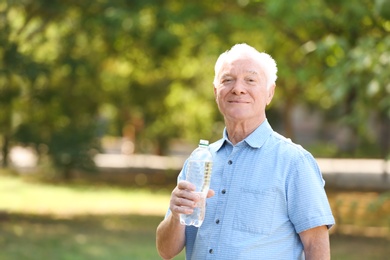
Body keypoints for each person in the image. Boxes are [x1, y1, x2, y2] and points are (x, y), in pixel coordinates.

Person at [156, 43, 335, 260]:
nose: (238, 88)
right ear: (216, 92)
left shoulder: (294, 162)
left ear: (270, 93)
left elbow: (316, 245)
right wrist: (175, 215)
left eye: (250, 80)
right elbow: (166, 251)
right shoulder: (198, 161)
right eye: (227, 80)